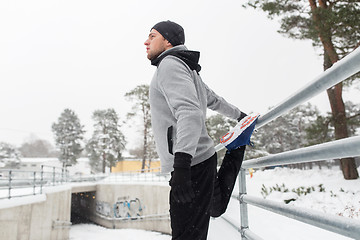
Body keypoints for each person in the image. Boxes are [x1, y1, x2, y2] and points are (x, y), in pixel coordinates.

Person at [144, 20, 247, 240]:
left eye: (152, 36)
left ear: (168, 41)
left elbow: (189, 112)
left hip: (189, 163)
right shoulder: (186, 67)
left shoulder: (169, 65)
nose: (146, 41)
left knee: (187, 234)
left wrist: (181, 166)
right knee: (213, 206)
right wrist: (240, 116)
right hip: (204, 157)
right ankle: (237, 147)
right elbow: (214, 100)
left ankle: (237, 147)